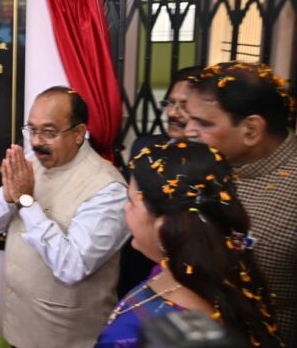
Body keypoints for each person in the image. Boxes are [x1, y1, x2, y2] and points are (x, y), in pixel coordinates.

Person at [0, 86, 129, 348]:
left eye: (49, 132)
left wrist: (26, 202)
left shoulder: (108, 189)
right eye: (32, 130)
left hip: (66, 337)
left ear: (79, 133)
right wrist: (8, 198)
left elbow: (73, 266)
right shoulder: (31, 162)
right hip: (17, 324)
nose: (37, 142)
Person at [97, 141, 284, 347]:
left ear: (163, 228)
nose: (126, 208)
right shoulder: (202, 271)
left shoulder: (168, 335)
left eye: (132, 201)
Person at [184, 61, 297, 345]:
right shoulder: (203, 163)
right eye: (189, 119)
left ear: (251, 130)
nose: (189, 131)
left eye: (204, 123)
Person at [119, 65, 204, 298]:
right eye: (170, 103)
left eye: (184, 106)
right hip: (136, 264)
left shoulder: (213, 166)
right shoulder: (145, 148)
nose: (173, 113)